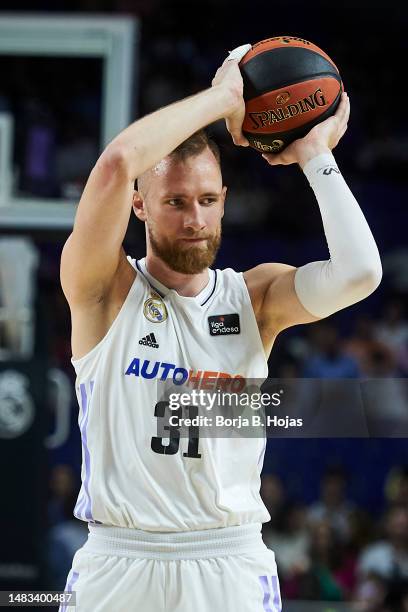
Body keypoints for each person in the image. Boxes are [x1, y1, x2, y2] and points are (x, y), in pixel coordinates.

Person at [59, 43, 382, 612]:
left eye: (208, 200)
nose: (195, 219)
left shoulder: (255, 298)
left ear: (226, 200)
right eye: (176, 201)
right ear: (139, 205)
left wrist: (314, 154)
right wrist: (223, 99)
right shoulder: (103, 292)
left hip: (228, 560)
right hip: (119, 558)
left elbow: (360, 273)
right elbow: (115, 164)